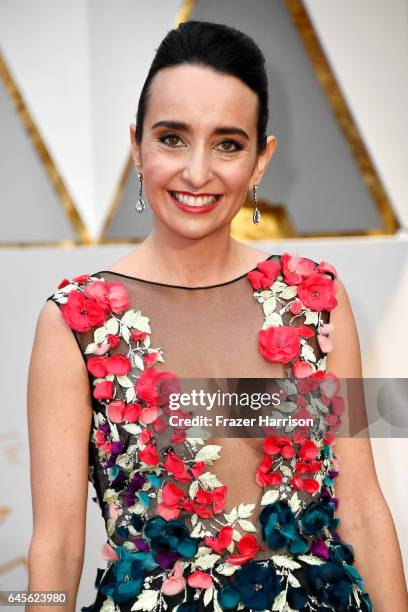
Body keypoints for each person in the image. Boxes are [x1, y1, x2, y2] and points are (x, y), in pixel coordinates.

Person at [26, 20, 407, 612]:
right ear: (136, 145)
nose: (197, 172)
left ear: (261, 161)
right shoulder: (75, 321)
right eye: (172, 138)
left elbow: (361, 506)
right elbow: (54, 545)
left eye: (228, 143)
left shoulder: (314, 299)